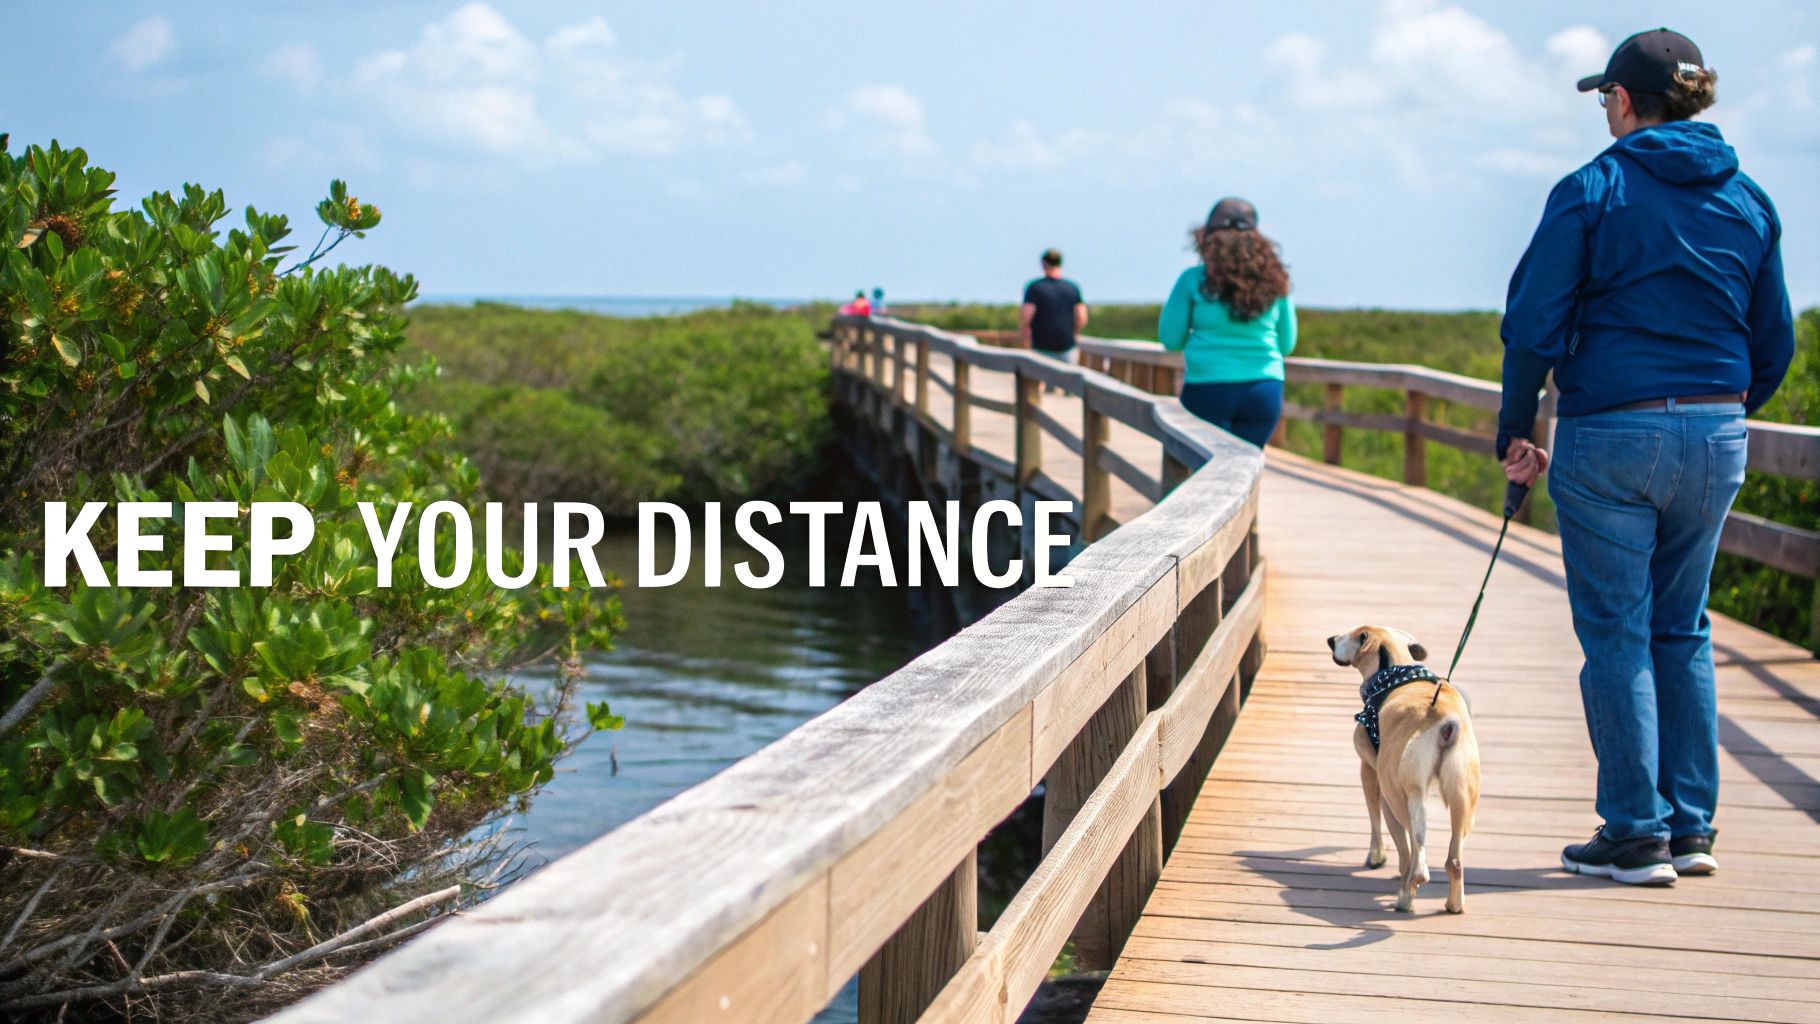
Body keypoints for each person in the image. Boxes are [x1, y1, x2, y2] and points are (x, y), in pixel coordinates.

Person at [1497, 28, 1794, 885]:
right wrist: (1717, 421)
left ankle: (1634, 832)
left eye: (1604, 99)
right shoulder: (1751, 199)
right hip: (1718, 430)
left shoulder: (1594, 187)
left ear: (1624, 102)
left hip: (1612, 432)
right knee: (1683, 626)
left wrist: (1517, 429)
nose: (1603, 111)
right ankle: (1691, 828)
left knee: (1618, 632)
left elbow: (1534, 325)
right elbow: (1773, 344)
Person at [1158, 198, 1297, 449]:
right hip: (1264, 389)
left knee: (1206, 471)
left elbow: (1171, 340)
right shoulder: (1277, 283)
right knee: (1246, 472)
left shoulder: (1192, 280)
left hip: (1207, 389)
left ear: (1207, 237)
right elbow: (1286, 344)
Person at [1021, 249, 1087, 361]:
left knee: (1040, 377)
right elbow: (1081, 317)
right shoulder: (1073, 288)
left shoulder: (1035, 287)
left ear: (1043, 263)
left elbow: (1026, 316)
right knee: (1067, 378)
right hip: (1067, 346)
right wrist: (1074, 335)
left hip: (1041, 347)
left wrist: (1024, 339)